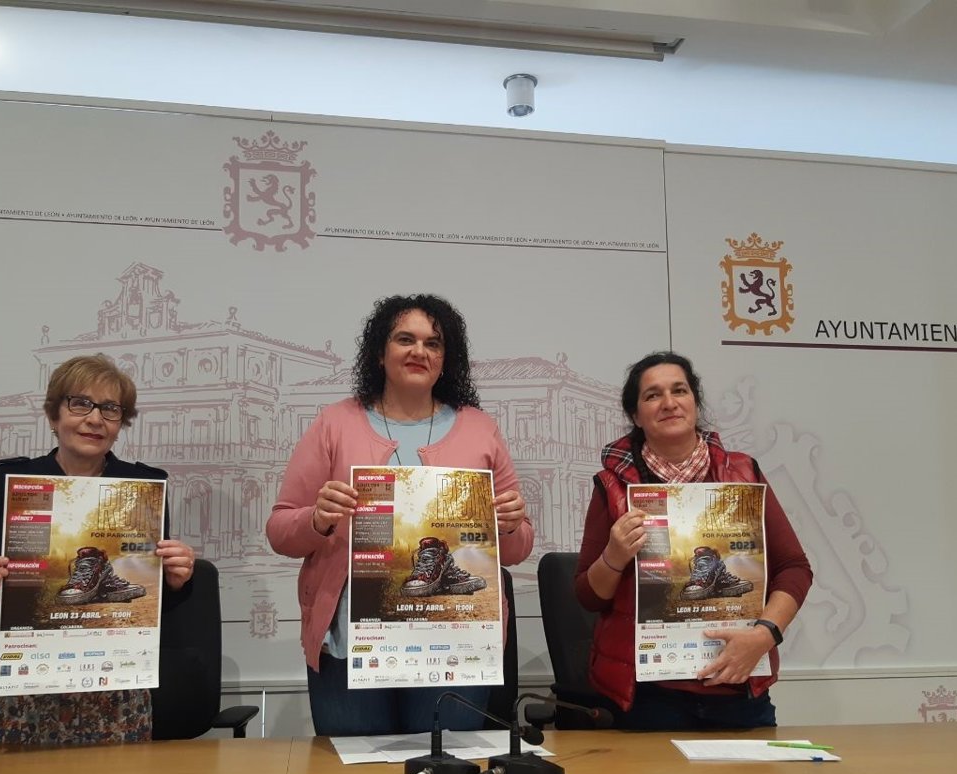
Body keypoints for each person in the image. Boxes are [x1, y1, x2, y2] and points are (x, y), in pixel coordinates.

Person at [267, 294, 534, 736]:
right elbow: (280, 531)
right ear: (380, 352)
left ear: (446, 359)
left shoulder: (480, 429)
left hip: (455, 645)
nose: (419, 351)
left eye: (433, 343)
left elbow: (518, 548)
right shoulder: (335, 423)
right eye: (405, 339)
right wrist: (316, 519)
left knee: (446, 772)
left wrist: (508, 526)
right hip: (352, 645)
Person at [0, 354, 197, 747]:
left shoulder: (142, 487)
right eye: (80, 404)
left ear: (121, 423)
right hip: (19, 685)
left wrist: (177, 580)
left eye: (110, 409)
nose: (95, 419)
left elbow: (155, 602)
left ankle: (98, 578)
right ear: (54, 415)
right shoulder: (11, 480)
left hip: (114, 686)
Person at [575, 351, 812, 730]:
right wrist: (614, 556)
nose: (669, 403)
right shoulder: (613, 486)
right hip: (648, 696)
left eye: (679, 390)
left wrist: (764, 635)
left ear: (695, 403)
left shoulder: (743, 472)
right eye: (653, 395)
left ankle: (714, 577)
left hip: (737, 686)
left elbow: (794, 569)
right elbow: (589, 597)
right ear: (636, 415)